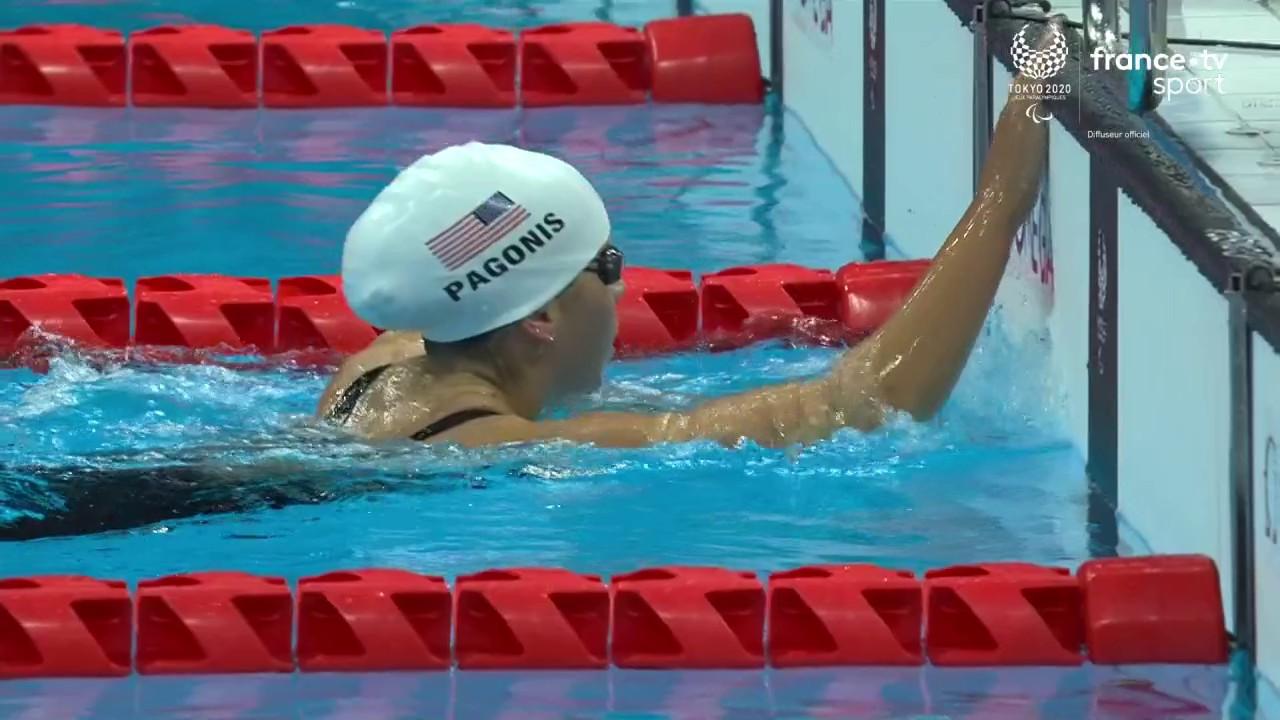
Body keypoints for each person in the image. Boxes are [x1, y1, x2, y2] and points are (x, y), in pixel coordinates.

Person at [321, 32, 1053, 449]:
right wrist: (1000, 201)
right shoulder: (506, 452)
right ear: (539, 318)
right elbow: (858, 410)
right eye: (605, 266)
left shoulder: (386, 364)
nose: (621, 287)